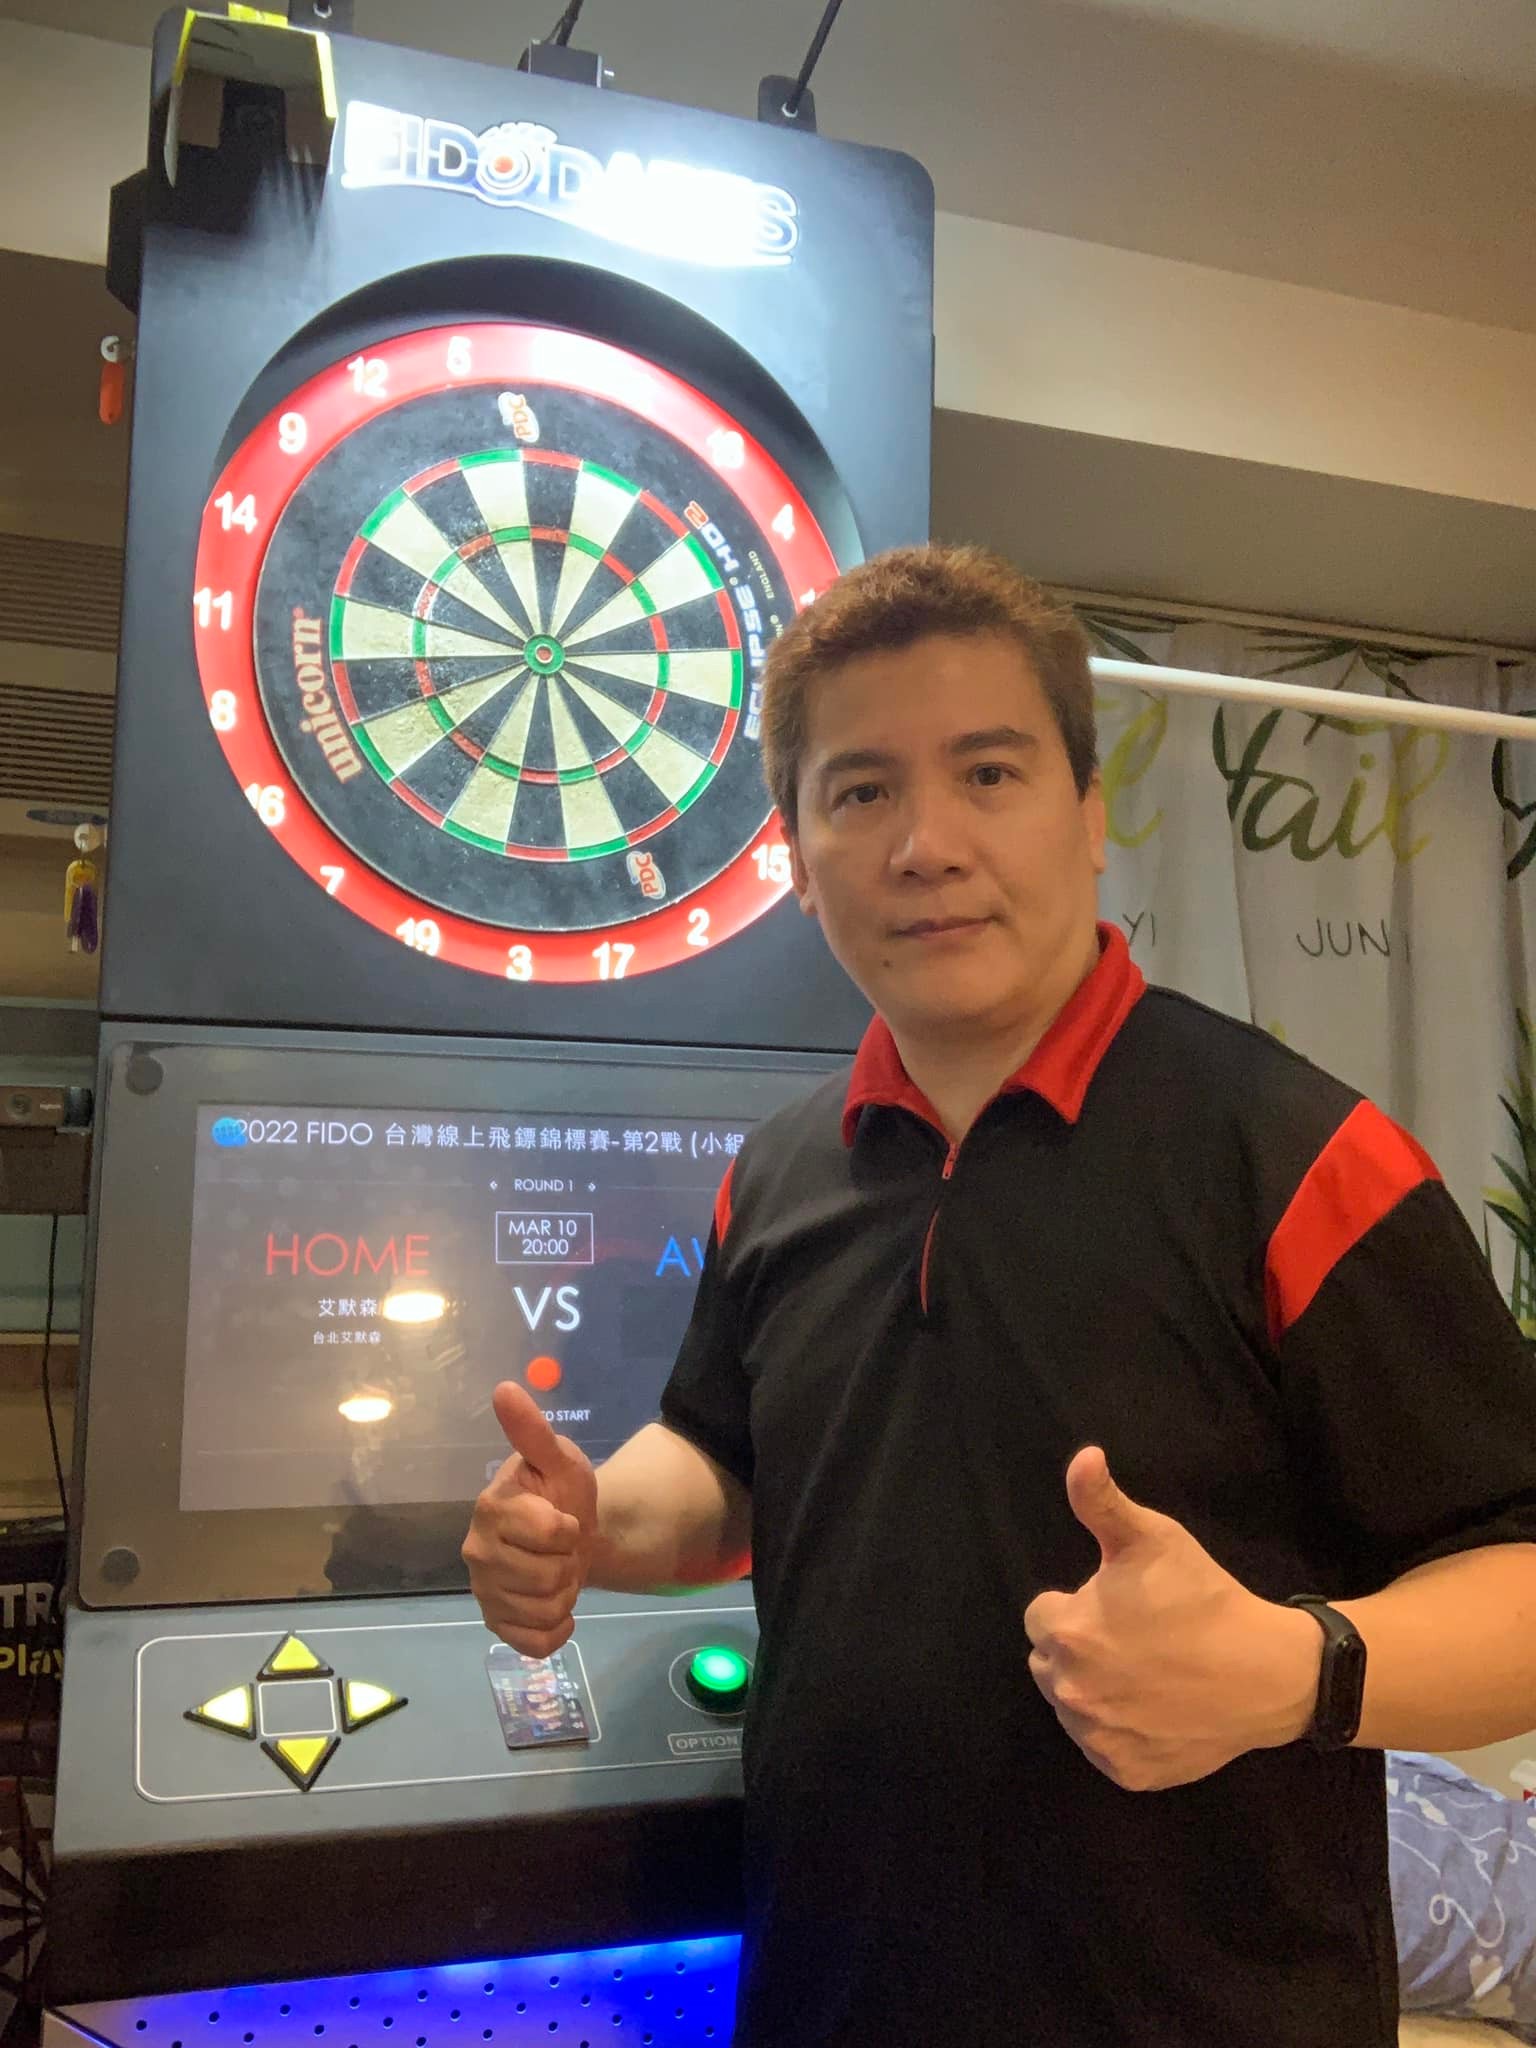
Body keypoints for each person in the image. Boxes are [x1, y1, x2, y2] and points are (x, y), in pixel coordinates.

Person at [463, 544, 1536, 2048]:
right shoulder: (776, 1174)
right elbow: (726, 1465)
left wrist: (1290, 1671)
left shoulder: (1300, 1157)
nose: (926, 844)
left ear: (1089, 816)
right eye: (861, 792)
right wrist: (590, 1528)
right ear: (797, 856)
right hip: (829, 1999)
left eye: (988, 773)